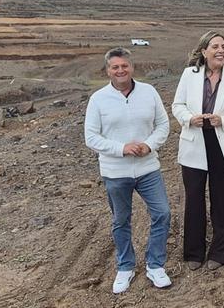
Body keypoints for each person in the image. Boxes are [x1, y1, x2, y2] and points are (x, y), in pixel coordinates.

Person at [84, 47, 172, 293]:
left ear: (132, 67)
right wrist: (122, 148)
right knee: (121, 220)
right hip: (115, 172)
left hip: (148, 169)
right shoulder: (98, 99)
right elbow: (91, 137)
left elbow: (163, 124)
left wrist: (149, 145)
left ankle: (155, 265)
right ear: (108, 70)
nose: (120, 70)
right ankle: (125, 267)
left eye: (124, 66)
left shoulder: (149, 92)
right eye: (115, 67)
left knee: (162, 214)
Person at [172, 31, 224, 271]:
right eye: (215, 46)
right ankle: (194, 253)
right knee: (194, 197)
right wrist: (189, 119)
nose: (220, 51)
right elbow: (178, 105)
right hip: (194, 141)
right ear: (204, 51)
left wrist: (223, 120)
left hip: (223, 142)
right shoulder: (189, 75)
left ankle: (220, 251)